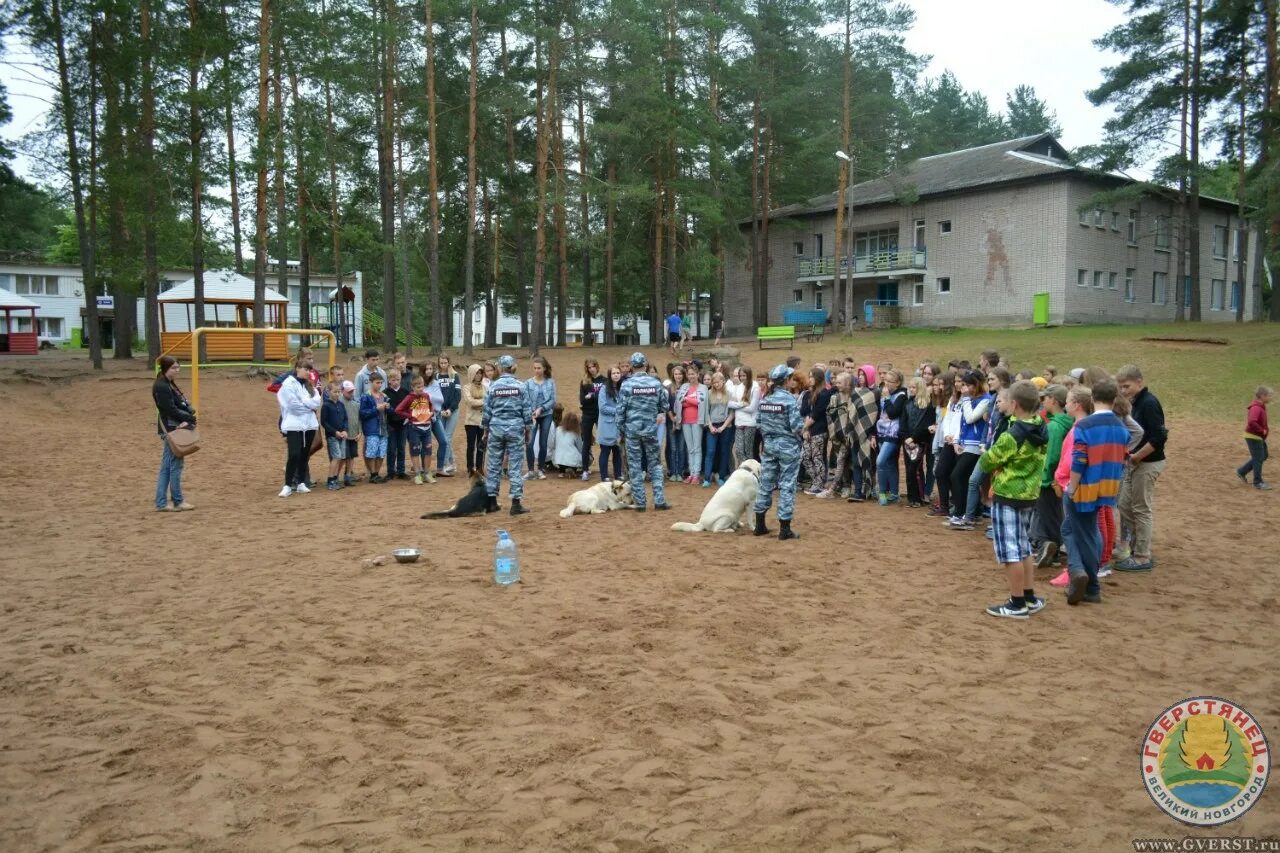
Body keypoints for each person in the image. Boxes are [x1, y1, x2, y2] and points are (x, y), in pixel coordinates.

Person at [980, 380, 1049, 619]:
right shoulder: (1041, 425)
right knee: (1023, 547)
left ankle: (1017, 602)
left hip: (1008, 495)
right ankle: (1029, 596)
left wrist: (995, 461)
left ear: (1015, 405)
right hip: (1029, 493)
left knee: (1010, 551)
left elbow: (987, 461)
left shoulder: (1012, 436)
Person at [1062, 379, 1129, 604]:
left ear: (1092, 398)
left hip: (1084, 486)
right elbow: (1125, 454)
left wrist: (1072, 486)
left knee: (1080, 532)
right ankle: (1083, 576)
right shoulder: (1121, 426)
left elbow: (1079, 459)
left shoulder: (1084, 426)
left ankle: (1087, 580)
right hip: (1108, 486)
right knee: (1083, 530)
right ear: (1114, 399)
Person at [1114, 364, 1166, 572]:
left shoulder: (1149, 403)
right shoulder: (1134, 403)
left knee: (1141, 508)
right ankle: (1133, 548)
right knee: (1125, 505)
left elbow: (1159, 436)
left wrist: (1136, 456)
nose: (1124, 391)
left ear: (1139, 382)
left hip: (1148, 463)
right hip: (1133, 463)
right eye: (1121, 387)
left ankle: (1143, 556)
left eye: (1127, 386)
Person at [752, 364, 804, 540]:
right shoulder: (789, 400)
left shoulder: (766, 399)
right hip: (788, 447)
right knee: (787, 485)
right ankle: (785, 528)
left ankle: (759, 525)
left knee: (765, 483)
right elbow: (797, 426)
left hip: (769, 446)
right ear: (787, 381)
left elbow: (758, 423)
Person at [618, 352, 671, 511]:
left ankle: (640, 503)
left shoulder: (627, 384)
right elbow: (665, 406)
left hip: (632, 431)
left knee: (634, 465)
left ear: (632, 366)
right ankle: (659, 500)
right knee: (655, 464)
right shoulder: (655, 383)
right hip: (650, 429)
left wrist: (622, 430)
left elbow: (620, 410)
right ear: (645, 365)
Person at [483, 355, 533, 514]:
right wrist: (528, 430)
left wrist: (485, 431)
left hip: (496, 428)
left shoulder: (493, 386)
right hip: (515, 429)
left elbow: (487, 411)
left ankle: (491, 501)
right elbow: (527, 411)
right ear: (513, 367)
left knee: (493, 465)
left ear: (499, 368)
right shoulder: (521, 386)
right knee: (516, 466)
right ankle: (516, 503)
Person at [1032, 384, 1073, 567]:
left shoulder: (1055, 427)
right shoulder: (1066, 421)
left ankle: (1051, 553)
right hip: (1060, 479)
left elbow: (1052, 455)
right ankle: (1052, 550)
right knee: (1054, 515)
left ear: (1054, 401)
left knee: (1047, 516)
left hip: (1049, 479)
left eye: (1045, 399)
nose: (1043, 402)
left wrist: (1044, 478)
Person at [948, 370, 991, 529]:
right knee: (965, 478)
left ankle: (961, 513)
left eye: (967, 385)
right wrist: (958, 440)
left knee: (957, 476)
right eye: (963, 384)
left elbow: (970, 418)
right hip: (966, 442)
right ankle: (971, 512)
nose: (963, 387)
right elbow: (961, 422)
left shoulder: (984, 400)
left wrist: (965, 399)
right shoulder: (968, 399)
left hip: (975, 444)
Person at [153, 355, 196, 512]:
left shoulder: (167, 383)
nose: (177, 371)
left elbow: (176, 405)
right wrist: (189, 417)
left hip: (170, 427)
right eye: (173, 368)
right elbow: (169, 409)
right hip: (172, 429)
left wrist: (188, 413)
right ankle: (177, 500)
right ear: (165, 368)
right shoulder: (162, 386)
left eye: (178, 367)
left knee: (166, 467)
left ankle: (161, 502)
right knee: (176, 466)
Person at [277, 361, 322, 497]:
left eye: (309, 369)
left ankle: (301, 482)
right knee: (294, 454)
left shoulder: (310, 386)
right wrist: (307, 405)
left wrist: (307, 403)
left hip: (309, 424)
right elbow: (292, 405)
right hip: (293, 425)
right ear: (297, 369)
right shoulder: (288, 384)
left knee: (304, 454)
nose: (307, 372)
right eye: (305, 369)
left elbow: (316, 402)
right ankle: (287, 484)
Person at [395, 374, 437, 484]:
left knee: (428, 450)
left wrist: (431, 413)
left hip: (427, 427)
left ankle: (427, 473)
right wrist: (410, 416)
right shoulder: (409, 398)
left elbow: (430, 406)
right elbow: (398, 410)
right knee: (415, 451)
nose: (420, 389)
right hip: (414, 428)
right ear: (413, 387)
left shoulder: (426, 396)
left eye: (422, 386)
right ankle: (418, 474)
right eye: (418, 387)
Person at [846, 364, 879, 502]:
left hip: (869, 434)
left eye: (863, 375)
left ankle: (869, 490)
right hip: (855, 433)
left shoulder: (875, 392)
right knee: (855, 462)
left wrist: (872, 434)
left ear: (870, 376)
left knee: (867, 462)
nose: (860, 378)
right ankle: (858, 492)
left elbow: (876, 415)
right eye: (859, 375)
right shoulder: (854, 392)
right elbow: (850, 412)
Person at [875, 369, 908, 505]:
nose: (886, 384)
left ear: (898, 383)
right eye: (885, 381)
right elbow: (879, 413)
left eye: (890, 381)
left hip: (893, 434)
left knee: (880, 461)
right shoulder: (883, 394)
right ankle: (894, 494)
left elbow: (893, 413)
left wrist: (888, 398)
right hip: (881, 432)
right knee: (890, 463)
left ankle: (882, 492)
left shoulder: (901, 395)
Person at [903, 375, 936, 508]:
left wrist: (914, 438)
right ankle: (911, 498)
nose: (911, 390)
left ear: (920, 388)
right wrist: (906, 438)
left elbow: (927, 426)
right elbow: (903, 423)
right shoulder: (907, 403)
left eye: (914, 387)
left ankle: (919, 497)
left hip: (920, 442)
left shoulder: (928, 405)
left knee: (915, 469)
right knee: (908, 469)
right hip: (907, 442)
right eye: (910, 387)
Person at [930, 371, 960, 516]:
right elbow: (944, 420)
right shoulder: (945, 401)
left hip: (954, 441)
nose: (940, 387)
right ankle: (945, 505)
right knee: (941, 472)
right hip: (943, 440)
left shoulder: (956, 401)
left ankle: (951, 504)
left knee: (949, 474)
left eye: (942, 384)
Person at [799, 366, 832, 497]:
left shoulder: (824, 394)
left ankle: (819, 484)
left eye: (812, 376)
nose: (810, 379)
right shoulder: (807, 394)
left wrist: (804, 428)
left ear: (818, 378)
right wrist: (806, 430)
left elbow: (816, 414)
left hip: (819, 430)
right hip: (808, 430)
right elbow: (804, 412)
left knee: (817, 457)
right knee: (805, 457)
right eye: (809, 376)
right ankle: (816, 481)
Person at [523, 356, 556, 480]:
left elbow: (552, 400)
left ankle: (541, 469)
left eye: (539, 368)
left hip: (546, 415)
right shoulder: (527, 383)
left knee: (543, 443)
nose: (536, 370)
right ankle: (531, 470)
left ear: (544, 368)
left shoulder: (550, 382)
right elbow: (525, 400)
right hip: (532, 416)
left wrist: (541, 408)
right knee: (529, 443)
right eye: (535, 368)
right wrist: (532, 412)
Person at [675, 366, 708, 485]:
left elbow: (701, 403)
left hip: (697, 421)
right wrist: (691, 401)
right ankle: (691, 473)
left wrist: (687, 400)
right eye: (689, 374)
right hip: (685, 421)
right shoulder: (684, 386)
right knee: (690, 449)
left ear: (698, 374)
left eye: (693, 374)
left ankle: (696, 475)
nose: (691, 376)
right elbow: (679, 403)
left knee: (697, 448)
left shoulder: (703, 387)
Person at [703, 371, 737, 487]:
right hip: (712, 425)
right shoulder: (708, 393)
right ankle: (707, 478)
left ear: (723, 381)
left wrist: (723, 426)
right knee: (710, 451)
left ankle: (721, 476)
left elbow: (732, 413)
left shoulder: (729, 394)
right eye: (714, 382)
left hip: (725, 426)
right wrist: (711, 426)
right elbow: (705, 412)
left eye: (718, 382)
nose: (716, 384)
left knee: (724, 451)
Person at [1237, 386, 1272, 490]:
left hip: (1257, 437)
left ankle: (1241, 471)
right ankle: (1258, 482)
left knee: (1263, 455)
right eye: (1268, 396)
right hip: (1253, 436)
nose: (1270, 398)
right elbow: (1252, 421)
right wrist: (1262, 431)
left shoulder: (1260, 406)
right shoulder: (1256, 408)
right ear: (1262, 396)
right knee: (1258, 458)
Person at [359, 374, 390, 483]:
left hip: (383, 428)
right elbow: (362, 413)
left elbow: (391, 412)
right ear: (371, 382)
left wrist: (389, 408)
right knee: (371, 452)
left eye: (381, 382)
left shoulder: (384, 396)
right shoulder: (365, 396)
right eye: (377, 382)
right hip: (371, 428)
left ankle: (376, 473)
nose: (380, 385)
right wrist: (376, 409)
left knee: (381, 452)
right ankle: (372, 473)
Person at [435, 354, 463, 476]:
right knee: (444, 438)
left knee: (448, 436)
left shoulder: (454, 376)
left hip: (453, 411)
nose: (443, 365)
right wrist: (440, 409)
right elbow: (435, 394)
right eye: (441, 363)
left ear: (449, 362)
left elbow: (457, 395)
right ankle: (452, 463)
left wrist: (450, 409)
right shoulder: (436, 376)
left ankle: (445, 464)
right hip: (440, 410)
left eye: (445, 362)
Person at [321, 381, 350, 490]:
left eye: (339, 392)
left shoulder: (341, 404)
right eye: (335, 391)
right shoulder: (326, 405)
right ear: (329, 392)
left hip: (342, 435)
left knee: (340, 457)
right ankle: (330, 480)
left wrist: (345, 430)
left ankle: (335, 478)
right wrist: (334, 432)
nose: (337, 394)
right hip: (332, 436)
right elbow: (324, 422)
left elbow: (345, 419)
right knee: (336, 456)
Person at [729, 365, 760, 468]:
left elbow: (752, 408)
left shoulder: (755, 387)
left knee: (748, 450)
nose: (742, 378)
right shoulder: (738, 388)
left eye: (744, 376)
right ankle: (744, 469)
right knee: (738, 450)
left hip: (750, 423)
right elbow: (729, 403)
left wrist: (737, 407)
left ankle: (750, 470)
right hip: (739, 422)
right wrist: (742, 405)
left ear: (749, 375)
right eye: (740, 376)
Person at [597, 364, 624, 481]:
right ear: (609, 375)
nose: (616, 375)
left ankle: (618, 474)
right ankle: (604, 476)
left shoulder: (622, 388)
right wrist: (618, 411)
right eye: (613, 373)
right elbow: (602, 407)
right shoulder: (604, 389)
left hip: (619, 426)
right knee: (605, 451)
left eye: (618, 373)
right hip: (607, 425)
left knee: (617, 451)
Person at [579, 359, 605, 482]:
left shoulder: (604, 380)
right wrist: (594, 396)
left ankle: (604, 470)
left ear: (597, 366)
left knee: (604, 441)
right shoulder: (584, 382)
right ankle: (585, 470)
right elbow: (582, 401)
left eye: (593, 366)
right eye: (589, 367)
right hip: (587, 414)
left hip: (601, 414)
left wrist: (591, 395)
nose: (592, 369)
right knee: (586, 442)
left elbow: (604, 397)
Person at [460, 364, 487, 478]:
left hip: (482, 421)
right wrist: (483, 402)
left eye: (480, 373)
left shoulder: (485, 387)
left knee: (481, 445)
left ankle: (480, 467)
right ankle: (470, 468)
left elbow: (489, 400)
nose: (479, 375)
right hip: (470, 421)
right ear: (472, 374)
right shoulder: (466, 387)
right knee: (471, 446)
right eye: (476, 373)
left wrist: (478, 402)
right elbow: (469, 402)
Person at [384, 367, 410, 480]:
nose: (396, 382)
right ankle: (390, 471)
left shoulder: (405, 392)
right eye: (393, 380)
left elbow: (410, 406)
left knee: (401, 448)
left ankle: (401, 471)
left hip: (403, 424)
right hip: (390, 424)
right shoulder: (385, 393)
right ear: (389, 380)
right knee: (391, 448)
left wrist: (408, 418)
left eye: (398, 380)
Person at [339, 380, 363, 485]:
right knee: (343, 457)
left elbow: (359, 419)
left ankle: (348, 476)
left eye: (352, 391)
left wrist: (360, 432)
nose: (351, 393)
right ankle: (334, 476)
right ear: (342, 391)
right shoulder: (339, 402)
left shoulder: (356, 403)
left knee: (351, 456)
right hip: (343, 435)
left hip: (353, 435)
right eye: (348, 391)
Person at [553, 411, 584, 477]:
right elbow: (580, 448)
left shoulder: (558, 429)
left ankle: (561, 472)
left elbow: (555, 442)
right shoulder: (576, 433)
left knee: (561, 454)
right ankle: (573, 469)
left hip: (558, 458)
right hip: (572, 459)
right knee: (581, 456)